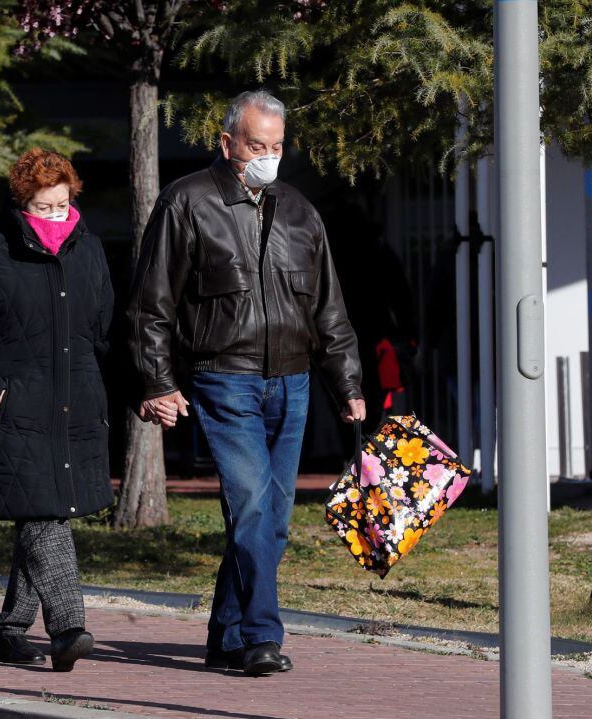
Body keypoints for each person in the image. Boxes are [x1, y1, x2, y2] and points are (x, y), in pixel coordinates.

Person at [127, 90, 365, 676]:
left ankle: (226, 634)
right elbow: (150, 304)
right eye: (257, 145)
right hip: (223, 379)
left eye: (277, 146)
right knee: (254, 506)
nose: (268, 156)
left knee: (272, 517)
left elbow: (328, 309)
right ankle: (262, 635)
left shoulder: (300, 212)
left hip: (294, 381)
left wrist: (349, 385)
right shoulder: (186, 202)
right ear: (227, 141)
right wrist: (157, 381)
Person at [0, 148, 114, 672]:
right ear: (20, 204)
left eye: (62, 205)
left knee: (44, 510)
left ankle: (10, 632)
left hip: (72, 409)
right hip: (10, 412)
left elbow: (99, 332)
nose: (55, 216)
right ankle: (69, 625)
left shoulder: (90, 250)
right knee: (44, 514)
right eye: (42, 207)